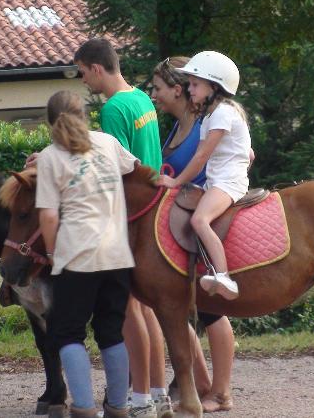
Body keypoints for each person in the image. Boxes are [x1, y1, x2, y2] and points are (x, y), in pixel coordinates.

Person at [73, 38, 170, 418]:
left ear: (97, 68)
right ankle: (159, 393)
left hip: (129, 217)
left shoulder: (114, 109)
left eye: (82, 72)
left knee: (131, 311)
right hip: (154, 208)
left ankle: (139, 396)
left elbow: (115, 170)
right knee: (150, 312)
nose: (83, 80)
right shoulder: (143, 99)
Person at [35, 91, 137, 418]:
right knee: (111, 331)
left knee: (67, 332)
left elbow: (49, 217)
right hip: (118, 253)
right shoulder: (107, 143)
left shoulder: (50, 156)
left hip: (77, 255)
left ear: (50, 122)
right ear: (86, 114)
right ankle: (119, 407)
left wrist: (52, 254)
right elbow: (135, 168)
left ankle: (83, 408)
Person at [151, 56, 235, 413]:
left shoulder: (206, 120)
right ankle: (202, 384)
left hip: (199, 212)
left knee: (212, 310)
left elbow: (227, 153)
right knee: (177, 308)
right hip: (177, 214)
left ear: (178, 89)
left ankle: (221, 389)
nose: (152, 94)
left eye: (157, 87)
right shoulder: (179, 124)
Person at [156, 51, 252, 301]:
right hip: (219, 181)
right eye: (190, 84)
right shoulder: (211, 115)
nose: (191, 89)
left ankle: (223, 275)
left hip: (227, 183)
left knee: (199, 220)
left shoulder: (221, 114)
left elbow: (200, 158)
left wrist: (176, 182)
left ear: (214, 86)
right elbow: (248, 154)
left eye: (195, 84)